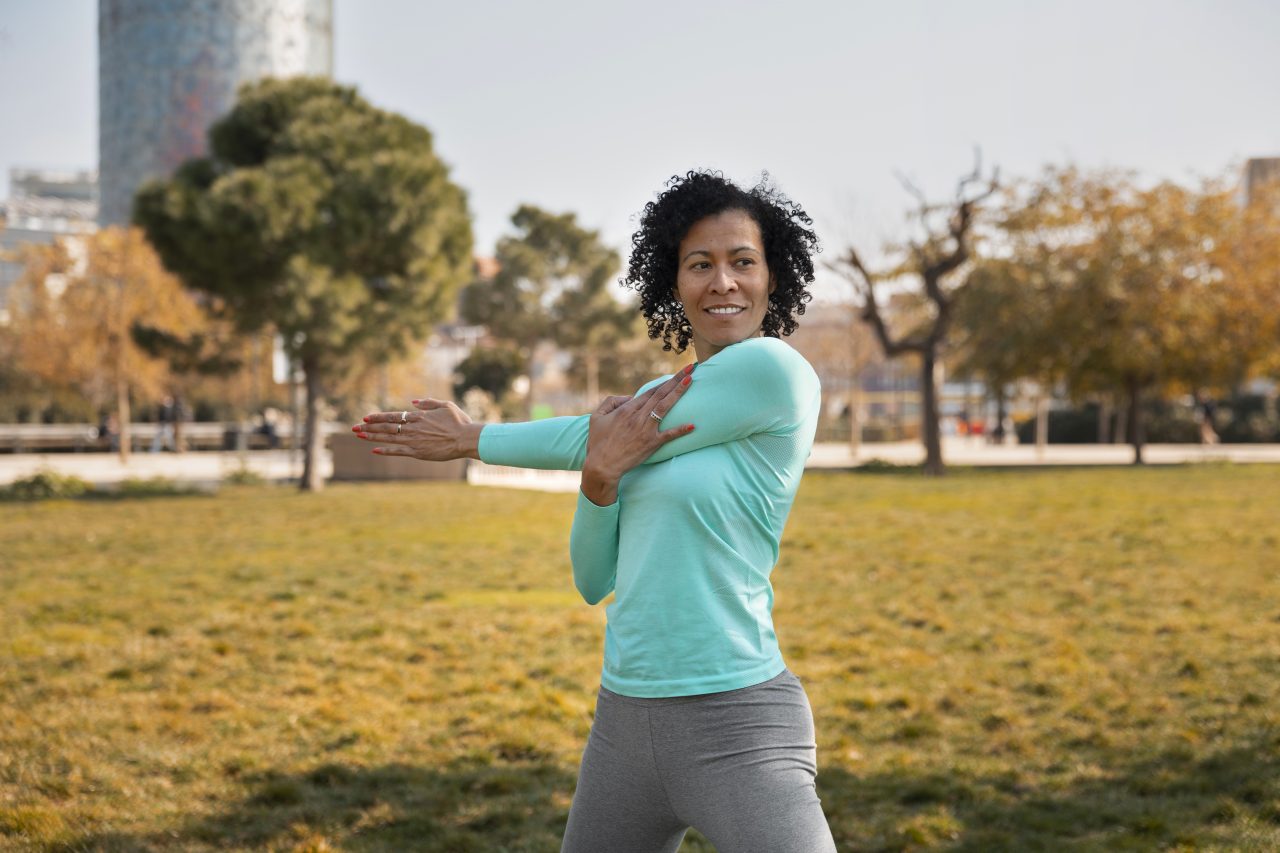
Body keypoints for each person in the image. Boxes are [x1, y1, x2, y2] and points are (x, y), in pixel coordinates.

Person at [353, 170, 837, 852]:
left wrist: (473, 438)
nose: (722, 282)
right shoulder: (645, 399)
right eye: (700, 264)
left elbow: (587, 434)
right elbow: (591, 579)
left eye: (742, 262)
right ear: (675, 283)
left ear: (772, 278)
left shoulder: (776, 375)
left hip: (736, 721)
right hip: (623, 722)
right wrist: (600, 479)